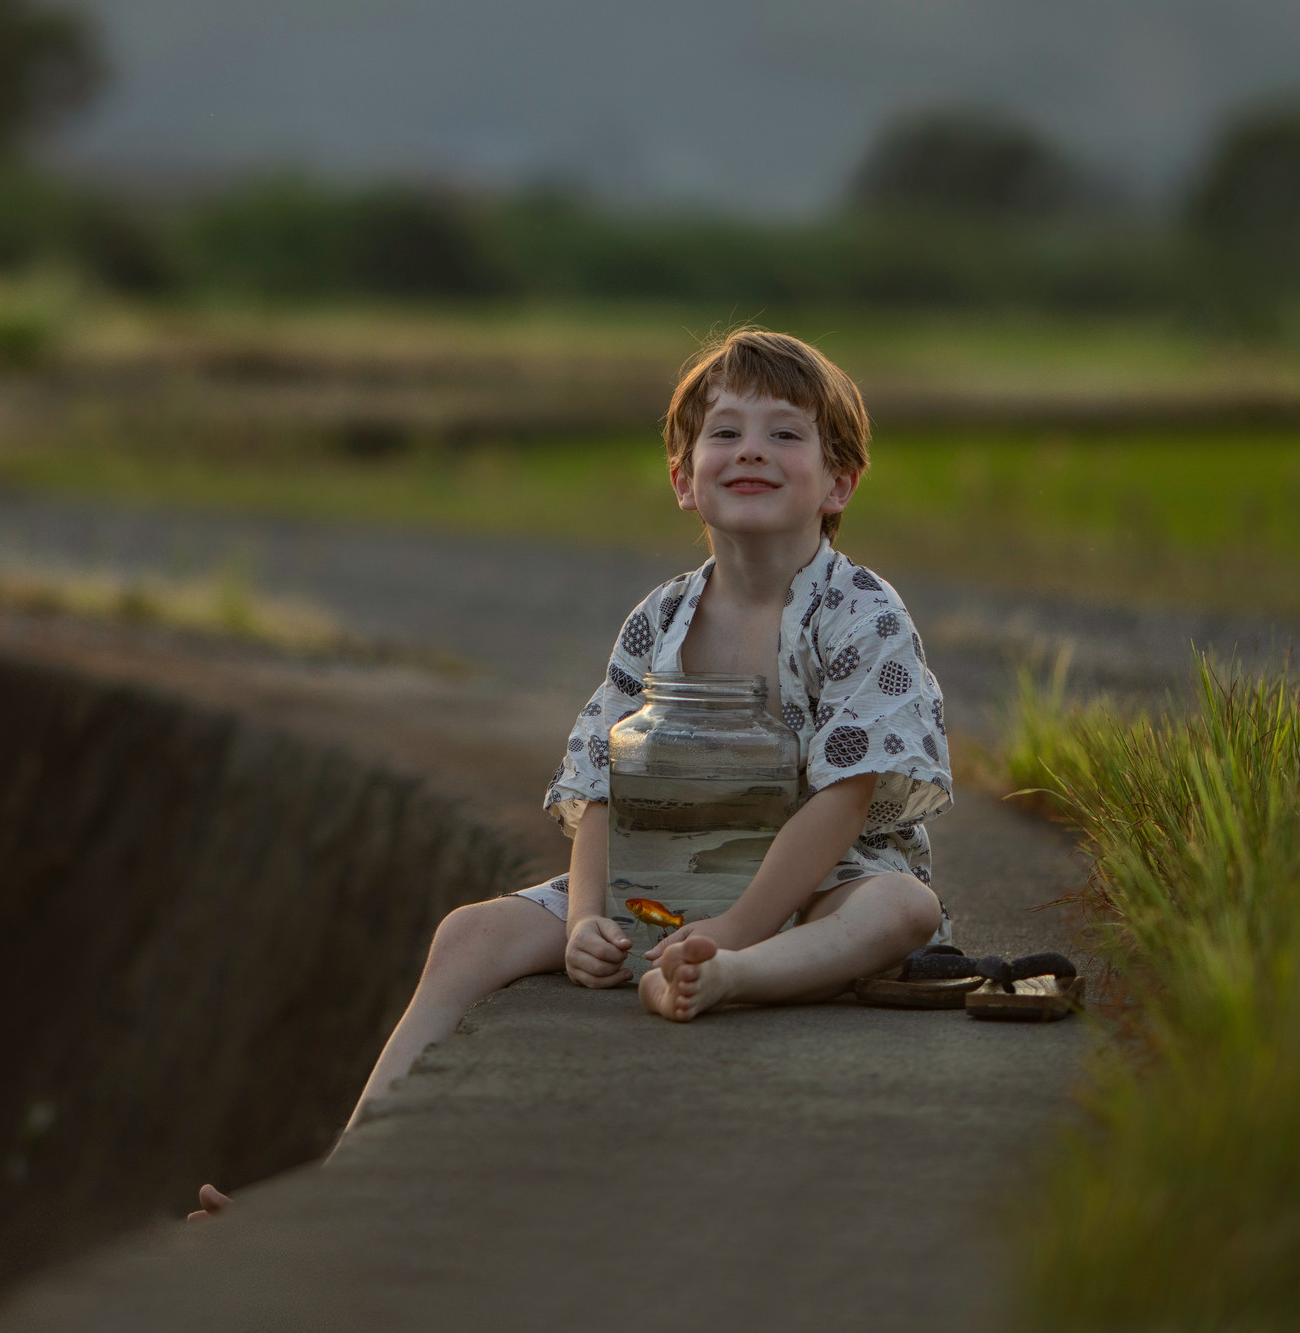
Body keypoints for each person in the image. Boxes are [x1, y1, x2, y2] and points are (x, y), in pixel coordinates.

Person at [191, 328, 950, 1220]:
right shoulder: (662, 618)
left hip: (826, 873)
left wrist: (740, 931)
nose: (751, 449)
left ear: (839, 483)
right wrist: (591, 916)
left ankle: (734, 979)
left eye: (785, 434)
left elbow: (846, 795)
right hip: (662, 873)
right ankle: (335, 1186)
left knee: (905, 910)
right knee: (468, 935)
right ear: (682, 477)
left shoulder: (860, 612)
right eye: (724, 432)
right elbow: (600, 779)